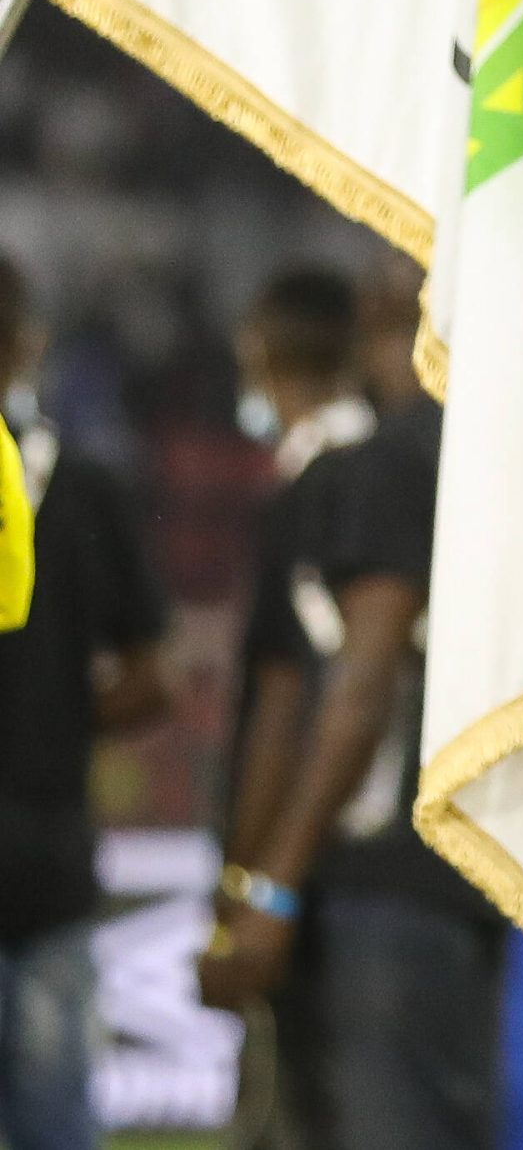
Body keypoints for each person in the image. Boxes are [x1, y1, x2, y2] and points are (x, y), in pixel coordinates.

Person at [201, 263, 505, 1150]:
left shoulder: (385, 464)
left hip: (371, 890)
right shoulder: (483, 469)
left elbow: (334, 692)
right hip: (446, 880)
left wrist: (265, 887)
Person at [0, 254, 169, 1150]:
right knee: (54, 1121)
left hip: (46, 847)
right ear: (27, 345)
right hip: (47, 847)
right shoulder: (81, 483)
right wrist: (60, 716)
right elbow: (151, 676)